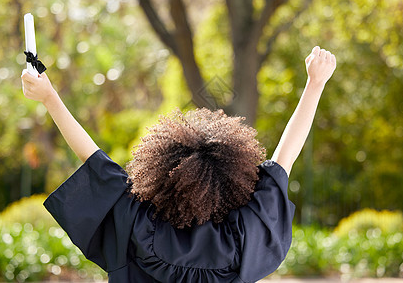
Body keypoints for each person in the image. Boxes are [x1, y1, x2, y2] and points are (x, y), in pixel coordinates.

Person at [21, 46, 336, 282]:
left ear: (158, 174)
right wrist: (314, 84)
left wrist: (49, 97)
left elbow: (93, 158)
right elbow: (285, 155)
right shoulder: (244, 236)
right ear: (234, 178)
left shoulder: (137, 223)